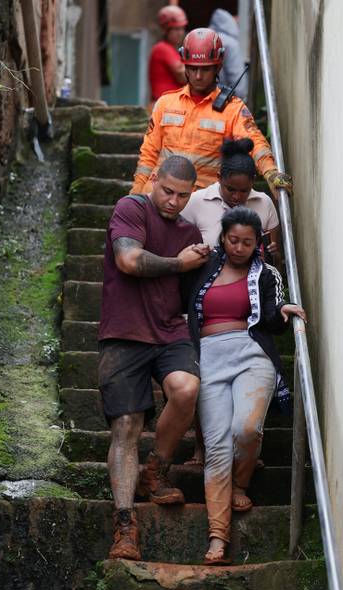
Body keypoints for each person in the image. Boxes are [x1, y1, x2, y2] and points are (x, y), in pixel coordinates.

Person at [99, 155, 211, 561]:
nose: (173, 201)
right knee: (127, 425)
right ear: (154, 181)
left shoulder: (189, 232)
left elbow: (195, 294)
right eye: (167, 191)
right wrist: (180, 263)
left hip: (169, 330)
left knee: (187, 388)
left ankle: (156, 470)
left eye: (183, 196)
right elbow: (129, 260)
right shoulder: (131, 209)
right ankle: (125, 524)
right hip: (124, 331)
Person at [184, 207, 307, 565]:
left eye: (247, 242)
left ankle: (241, 482)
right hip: (209, 357)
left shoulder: (266, 273)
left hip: (252, 354)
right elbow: (180, 303)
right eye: (233, 240)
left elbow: (271, 314)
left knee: (247, 428)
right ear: (223, 237)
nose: (239, 248)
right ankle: (217, 538)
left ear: (258, 244)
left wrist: (283, 312)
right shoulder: (202, 267)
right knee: (217, 447)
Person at [180, 137, 284, 467]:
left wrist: (273, 258)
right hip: (206, 295)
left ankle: (246, 453)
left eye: (244, 190)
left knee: (250, 386)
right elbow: (179, 242)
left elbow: (274, 254)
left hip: (249, 298)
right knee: (204, 378)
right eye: (230, 190)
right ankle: (201, 447)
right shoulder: (196, 202)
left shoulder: (263, 204)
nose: (238, 196)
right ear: (219, 179)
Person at [131, 27, 293, 197]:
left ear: (218, 67)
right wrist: (136, 192)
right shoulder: (165, 103)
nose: (198, 76)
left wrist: (270, 172)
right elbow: (148, 154)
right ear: (185, 66)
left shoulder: (233, 109)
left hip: (202, 200)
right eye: (192, 68)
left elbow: (255, 142)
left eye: (205, 69)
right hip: (159, 194)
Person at [149, 6, 187, 102]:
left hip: (170, 104)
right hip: (164, 105)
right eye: (176, 29)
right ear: (165, 30)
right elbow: (183, 76)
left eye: (181, 28)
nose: (180, 33)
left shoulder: (173, 49)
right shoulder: (162, 48)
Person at [208, 8, 247, 102]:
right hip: (224, 101)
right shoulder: (231, 44)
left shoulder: (207, 40)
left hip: (204, 97)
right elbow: (238, 84)